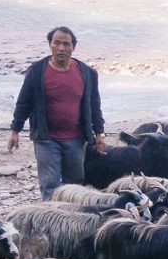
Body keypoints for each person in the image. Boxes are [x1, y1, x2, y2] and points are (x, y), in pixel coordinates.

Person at [9, 26, 107, 200]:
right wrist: (15, 130)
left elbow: (94, 105)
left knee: (75, 184)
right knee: (50, 184)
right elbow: (24, 102)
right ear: (50, 44)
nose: (61, 48)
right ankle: (49, 221)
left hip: (77, 139)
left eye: (66, 44)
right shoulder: (37, 71)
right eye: (57, 43)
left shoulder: (87, 73)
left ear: (73, 47)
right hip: (46, 139)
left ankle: (71, 221)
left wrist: (99, 133)